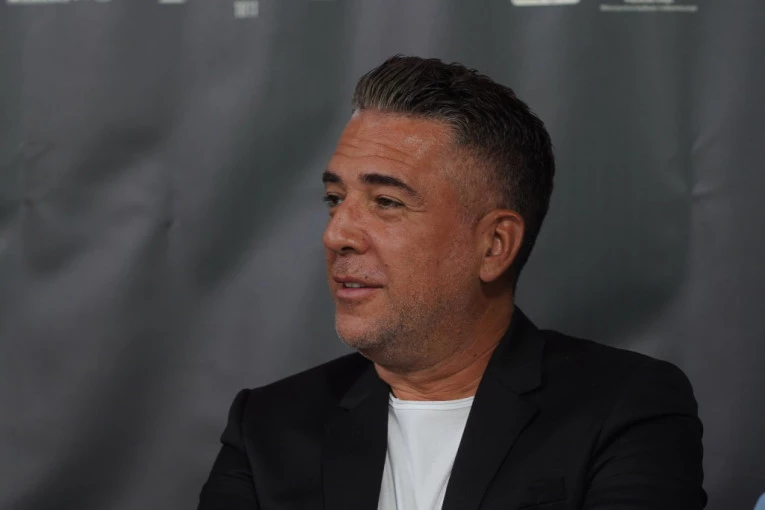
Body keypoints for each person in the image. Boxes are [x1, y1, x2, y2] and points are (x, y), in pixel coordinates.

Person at [198, 55, 706, 510]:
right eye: (335, 199)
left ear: (494, 245)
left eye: (387, 202)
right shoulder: (268, 426)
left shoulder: (624, 408)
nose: (337, 235)